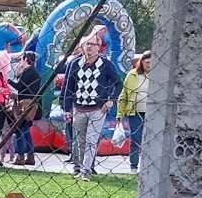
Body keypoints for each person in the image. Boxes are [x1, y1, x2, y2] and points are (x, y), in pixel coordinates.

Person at [60, 34, 124, 180]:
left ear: (99, 48)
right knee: (79, 140)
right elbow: (68, 87)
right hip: (78, 108)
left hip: (98, 109)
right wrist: (66, 108)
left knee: (91, 140)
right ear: (82, 46)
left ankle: (86, 170)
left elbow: (119, 83)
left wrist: (111, 101)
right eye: (87, 43)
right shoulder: (74, 63)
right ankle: (79, 167)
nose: (89, 46)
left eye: (93, 44)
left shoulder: (106, 64)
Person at [8, 51, 44, 167]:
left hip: (25, 104)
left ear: (25, 59)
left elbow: (19, 86)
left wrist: (8, 80)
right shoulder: (34, 72)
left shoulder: (28, 72)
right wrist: (19, 75)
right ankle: (30, 155)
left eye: (21, 59)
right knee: (26, 130)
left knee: (19, 131)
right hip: (32, 105)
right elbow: (26, 85)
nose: (20, 61)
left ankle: (20, 156)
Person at [120, 52, 149, 172]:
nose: (149, 65)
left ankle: (148, 166)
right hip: (135, 112)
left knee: (151, 140)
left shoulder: (159, 75)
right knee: (135, 139)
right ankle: (133, 166)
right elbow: (124, 95)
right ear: (141, 62)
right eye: (147, 63)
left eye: (152, 63)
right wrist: (120, 113)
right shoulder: (132, 75)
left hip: (152, 113)